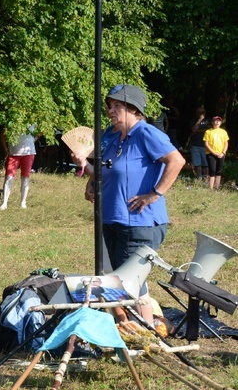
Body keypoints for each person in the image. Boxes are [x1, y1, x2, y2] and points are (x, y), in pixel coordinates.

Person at [72, 84, 185, 326]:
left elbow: (176, 160)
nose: (111, 111)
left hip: (139, 221)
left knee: (129, 280)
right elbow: (105, 173)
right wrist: (87, 171)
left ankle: (143, 332)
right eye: (109, 106)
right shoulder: (111, 136)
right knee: (113, 277)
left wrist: (154, 193)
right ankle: (128, 328)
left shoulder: (146, 133)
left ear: (134, 110)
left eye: (118, 106)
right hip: (111, 217)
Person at [0, 125, 38, 210]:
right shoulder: (14, 120)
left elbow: (42, 130)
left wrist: (33, 140)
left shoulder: (34, 121)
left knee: (25, 177)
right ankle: (4, 203)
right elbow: (2, 134)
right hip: (13, 153)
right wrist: (6, 149)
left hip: (28, 153)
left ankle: (23, 202)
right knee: (9, 177)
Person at [204, 115, 229, 190]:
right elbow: (206, 144)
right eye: (215, 120)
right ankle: (211, 188)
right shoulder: (208, 131)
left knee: (219, 171)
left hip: (221, 154)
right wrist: (213, 152)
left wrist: (223, 152)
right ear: (212, 122)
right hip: (211, 154)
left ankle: (217, 187)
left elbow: (226, 143)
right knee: (212, 170)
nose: (217, 122)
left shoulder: (223, 132)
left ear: (221, 123)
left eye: (219, 121)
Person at [189, 106, 210, 182]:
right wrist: (199, 120)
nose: (201, 114)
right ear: (196, 113)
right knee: (197, 163)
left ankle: (206, 179)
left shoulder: (209, 120)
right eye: (199, 112)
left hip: (206, 145)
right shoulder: (193, 120)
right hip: (195, 144)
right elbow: (193, 129)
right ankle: (199, 178)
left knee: (206, 163)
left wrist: (199, 129)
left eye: (202, 112)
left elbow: (210, 130)